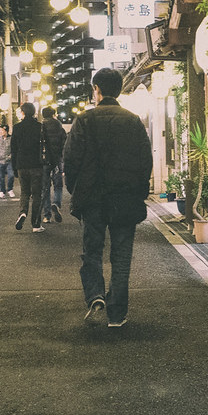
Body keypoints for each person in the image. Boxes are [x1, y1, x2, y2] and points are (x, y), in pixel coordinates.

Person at [64, 68, 152, 328]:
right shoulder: (133, 121)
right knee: (121, 257)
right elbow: (144, 161)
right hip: (125, 198)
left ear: (97, 90)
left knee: (92, 251)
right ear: (119, 90)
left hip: (92, 198)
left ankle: (95, 295)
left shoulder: (84, 120)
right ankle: (116, 314)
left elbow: (70, 160)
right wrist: (139, 191)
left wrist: (76, 189)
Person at [10, 103, 48, 232]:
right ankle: (36, 224)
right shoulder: (40, 127)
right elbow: (46, 147)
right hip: (36, 165)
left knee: (25, 192)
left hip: (21, 165)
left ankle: (23, 212)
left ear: (23, 112)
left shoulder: (17, 128)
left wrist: (14, 167)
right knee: (37, 194)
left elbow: (13, 149)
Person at [40, 105, 66, 224]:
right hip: (57, 160)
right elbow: (64, 144)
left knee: (45, 188)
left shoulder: (40, 126)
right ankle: (56, 203)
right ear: (53, 114)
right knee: (58, 185)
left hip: (44, 161)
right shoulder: (59, 126)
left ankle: (47, 215)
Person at [0, 124, 15, 199]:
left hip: (9, 161)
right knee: (1, 177)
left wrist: (11, 156)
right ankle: (2, 191)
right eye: (0, 130)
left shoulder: (12, 138)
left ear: (6, 131)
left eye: (2, 130)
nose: (0, 132)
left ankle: (10, 189)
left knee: (11, 175)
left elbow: (15, 148)